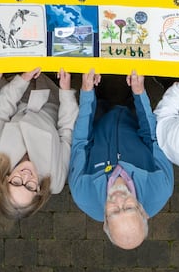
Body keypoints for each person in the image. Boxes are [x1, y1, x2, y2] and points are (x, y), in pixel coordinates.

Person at [69, 70, 173, 250]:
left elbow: (80, 143)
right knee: (132, 81)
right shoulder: (161, 186)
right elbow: (153, 138)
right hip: (134, 118)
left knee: (100, 88)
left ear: (105, 222)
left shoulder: (83, 194)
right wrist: (139, 93)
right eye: (129, 208)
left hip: (98, 119)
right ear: (142, 211)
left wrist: (86, 94)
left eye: (114, 211)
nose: (118, 200)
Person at [0, 68, 79, 219]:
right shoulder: (55, 180)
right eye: (29, 186)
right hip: (51, 100)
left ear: (6, 180)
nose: (26, 177)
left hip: (14, 95)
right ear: (38, 190)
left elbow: (1, 113)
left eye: (16, 182)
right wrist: (65, 91)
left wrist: (23, 79)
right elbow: (66, 133)